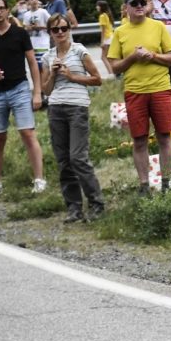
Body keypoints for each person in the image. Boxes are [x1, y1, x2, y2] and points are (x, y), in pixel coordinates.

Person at [107, 0, 171, 196]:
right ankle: (144, 185)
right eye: (134, 3)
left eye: (142, 3)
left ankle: (166, 182)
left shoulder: (158, 27)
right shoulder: (120, 33)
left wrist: (152, 55)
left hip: (160, 89)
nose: (139, 6)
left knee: (164, 136)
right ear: (126, 8)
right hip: (135, 91)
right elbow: (115, 67)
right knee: (139, 140)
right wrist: (133, 58)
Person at [40, 13, 104, 222]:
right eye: (55, 29)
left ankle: (96, 203)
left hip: (77, 107)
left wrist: (71, 76)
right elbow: (46, 90)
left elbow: (97, 79)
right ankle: (74, 208)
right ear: (50, 33)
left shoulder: (80, 51)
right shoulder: (48, 57)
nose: (60, 33)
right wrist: (52, 74)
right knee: (64, 161)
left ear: (70, 30)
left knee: (78, 157)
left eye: (63, 28)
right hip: (56, 108)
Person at [0, 0, 46, 197]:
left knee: (28, 133)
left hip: (19, 89)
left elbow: (32, 63)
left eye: (2, 8)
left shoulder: (19, 33)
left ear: (7, 10)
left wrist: (37, 92)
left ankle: (39, 179)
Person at [21, 0, 50, 69]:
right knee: (35, 68)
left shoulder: (43, 12)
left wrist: (40, 27)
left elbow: (51, 25)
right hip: (32, 45)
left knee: (44, 68)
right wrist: (28, 28)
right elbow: (25, 29)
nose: (34, 1)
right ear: (28, 2)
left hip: (43, 44)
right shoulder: (26, 14)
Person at [96, 0, 115, 74]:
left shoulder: (102, 16)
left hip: (107, 38)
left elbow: (103, 31)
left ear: (101, 7)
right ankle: (114, 72)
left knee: (103, 57)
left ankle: (111, 74)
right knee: (109, 57)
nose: (96, 7)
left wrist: (102, 42)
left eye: (98, 6)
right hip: (111, 37)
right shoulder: (107, 14)